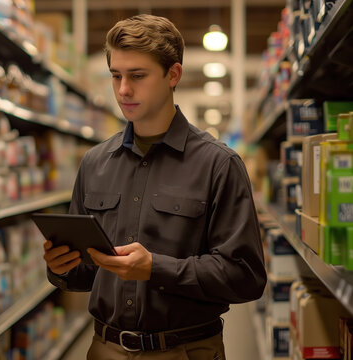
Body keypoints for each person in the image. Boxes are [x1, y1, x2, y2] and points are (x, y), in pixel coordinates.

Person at [43, 14, 266, 359]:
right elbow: (85, 275)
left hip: (186, 350)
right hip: (105, 349)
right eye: (116, 75)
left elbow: (246, 276)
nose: (122, 90)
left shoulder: (219, 164)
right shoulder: (95, 163)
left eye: (137, 76)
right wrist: (62, 267)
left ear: (172, 75)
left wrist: (156, 269)